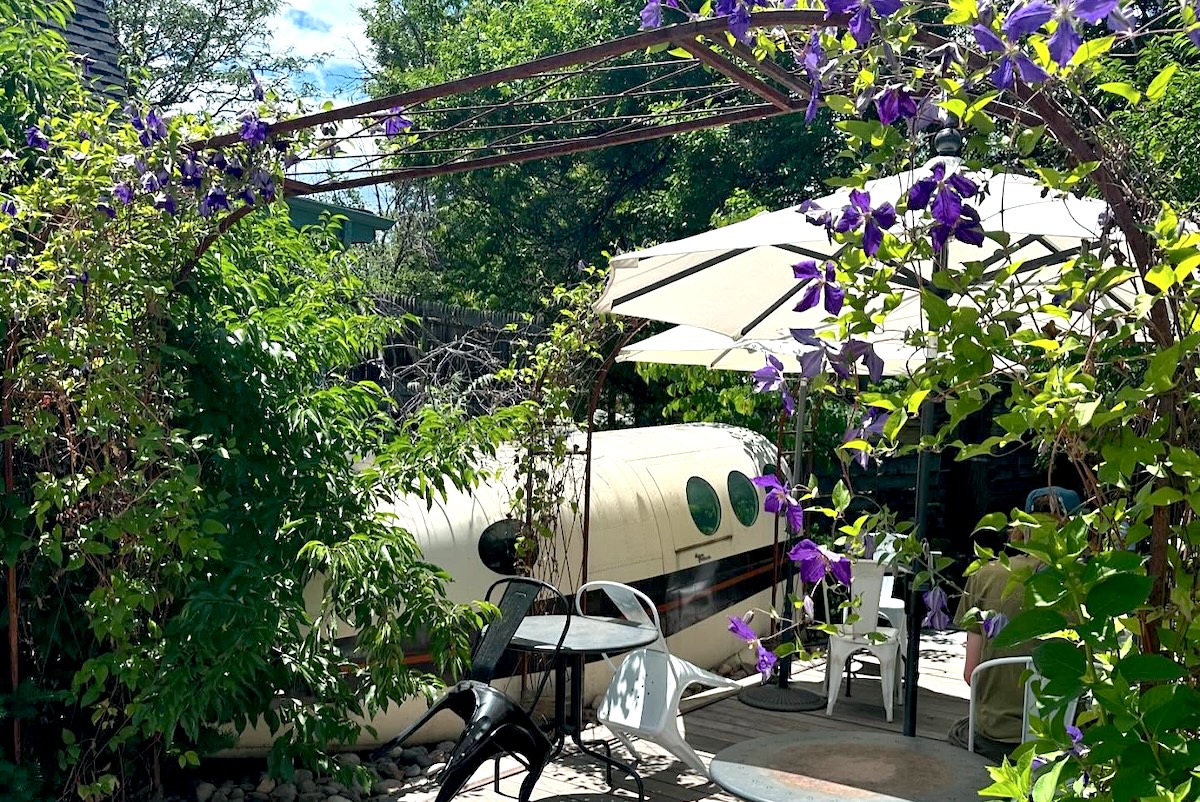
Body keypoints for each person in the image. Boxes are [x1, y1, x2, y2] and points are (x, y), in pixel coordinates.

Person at [947, 486, 1080, 760]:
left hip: (994, 737)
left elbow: (971, 673)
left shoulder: (986, 574)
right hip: (1062, 742)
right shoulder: (1087, 584)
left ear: (1021, 529)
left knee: (957, 732)